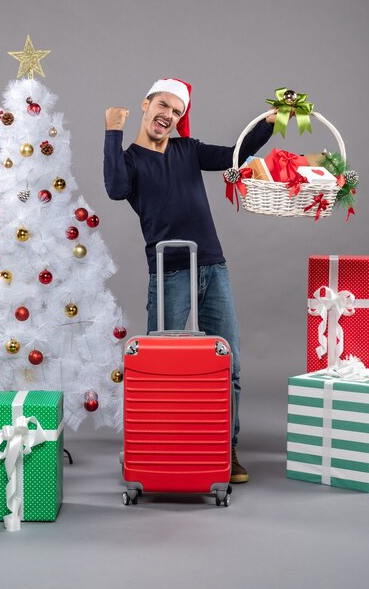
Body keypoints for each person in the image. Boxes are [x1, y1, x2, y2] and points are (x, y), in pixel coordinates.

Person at [103, 78, 275, 483]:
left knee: (228, 362)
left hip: (213, 266)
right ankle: (159, 446)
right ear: (146, 104)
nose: (169, 116)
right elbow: (114, 189)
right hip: (169, 271)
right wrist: (113, 130)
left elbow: (237, 153)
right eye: (163, 105)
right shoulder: (128, 161)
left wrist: (268, 122)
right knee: (161, 365)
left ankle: (224, 450)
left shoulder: (187, 150)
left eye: (177, 111)